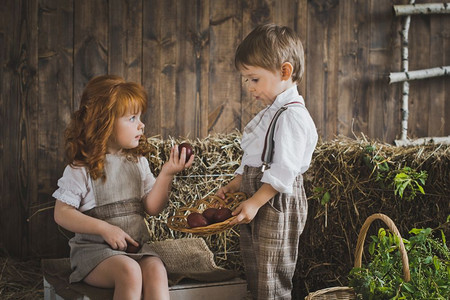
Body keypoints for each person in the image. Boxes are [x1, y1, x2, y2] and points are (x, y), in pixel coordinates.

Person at [53, 75, 194, 300]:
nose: (142, 124)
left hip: (136, 249)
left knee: (157, 269)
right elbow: (62, 213)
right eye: (132, 118)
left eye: (140, 117)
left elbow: (152, 207)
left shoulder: (138, 163)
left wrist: (167, 173)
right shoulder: (81, 169)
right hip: (95, 254)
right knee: (129, 272)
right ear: (104, 122)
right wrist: (104, 228)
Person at [216, 23, 318, 299]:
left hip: (275, 201)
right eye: (247, 80)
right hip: (258, 195)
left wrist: (255, 201)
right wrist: (236, 183)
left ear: (285, 72)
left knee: (272, 273)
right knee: (257, 269)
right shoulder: (274, 113)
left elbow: (283, 170)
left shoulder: (292, 116)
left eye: (254, 79)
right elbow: (257, 156)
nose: (249, 87)